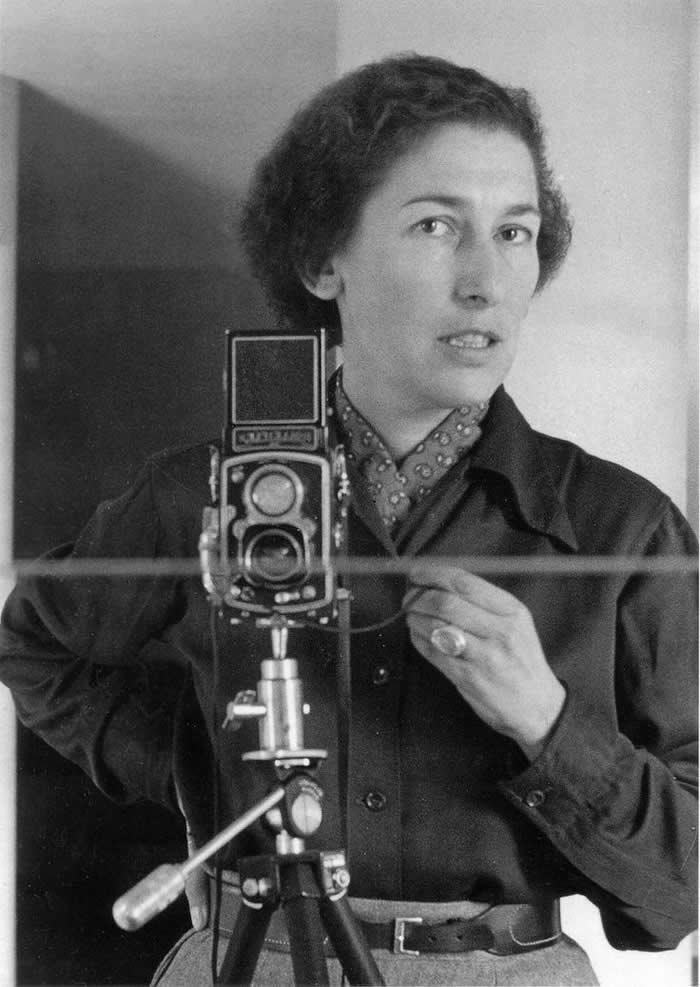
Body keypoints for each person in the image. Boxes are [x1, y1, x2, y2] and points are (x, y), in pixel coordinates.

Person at [1, 53, 697, 987]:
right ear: (322, 260)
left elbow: (684, 891)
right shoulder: (194, 496)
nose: (487, 280)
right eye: (436, 225)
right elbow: (35, 642)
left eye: (517, 231)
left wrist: (549, 720)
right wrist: (190, 758)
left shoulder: (625, 531)